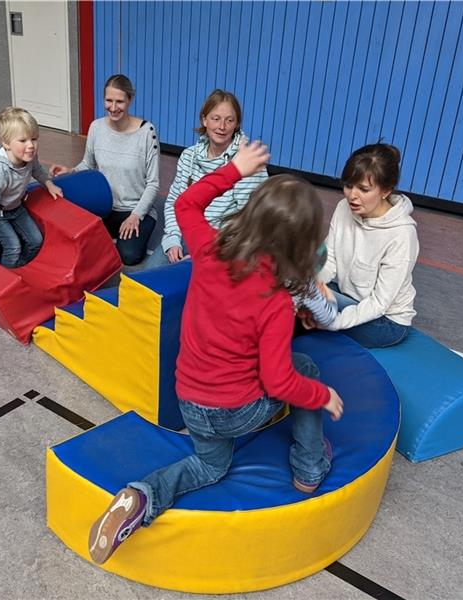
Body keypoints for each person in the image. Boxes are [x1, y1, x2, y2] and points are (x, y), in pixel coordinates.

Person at [86, 140, 344, 565]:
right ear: (301, 248)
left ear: (252, 215)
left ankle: (141, 496)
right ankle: (309, 468)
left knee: (209, 468)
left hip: (190, 398)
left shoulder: (208, 252)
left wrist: (236, 170)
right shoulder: (276, 301)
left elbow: (186, 202)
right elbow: (280, 380)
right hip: (234, 410)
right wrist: (320, 396)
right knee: (309, 370)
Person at [312, 143, 419, 348]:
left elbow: (379, 304)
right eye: (348, 185)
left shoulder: (402, 234)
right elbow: (329, 259)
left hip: (385, 322)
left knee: (300, 305)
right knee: (294, 289)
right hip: (347, 297)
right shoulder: (344, 207)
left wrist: (332, 321)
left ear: (386, 190)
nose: (352, 195)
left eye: (364, 189)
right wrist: (311, 284)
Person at [147, 89, 268, 268]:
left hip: (222, 245)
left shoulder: (247, 162)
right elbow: (174, 201)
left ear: (236, 124)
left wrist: (207, 252)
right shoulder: (189, 156)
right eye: (215, 118)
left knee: (196, 288)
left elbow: (250, 222)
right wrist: (172, 238)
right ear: (204, 120)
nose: (222, 126)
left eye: (229, 120)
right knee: (144, 281)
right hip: (185, 234)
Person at [50, 74, 159, 266]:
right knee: (76, 244)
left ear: (130, 101)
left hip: (134, 208)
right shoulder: (96, 127)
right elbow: (88, 165)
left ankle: (135, 229)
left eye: (120, 101)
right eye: (109, 100)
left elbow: (153, 183)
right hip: (104, 206)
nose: (113, 107)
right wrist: (70, 171)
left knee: (129, 256)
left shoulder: (147, 132)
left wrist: (135, 216)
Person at [0, 107, 63, 268]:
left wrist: (49, 184)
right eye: (23, 140)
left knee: (36, 241)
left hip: (15, 206)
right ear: (6, 143)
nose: (31, 146)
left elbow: (37, 169)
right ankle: (6, 277)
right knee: (13, 246)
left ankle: (19, 268)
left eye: (34, 139)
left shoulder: (29, 155)